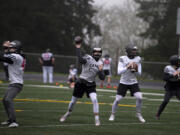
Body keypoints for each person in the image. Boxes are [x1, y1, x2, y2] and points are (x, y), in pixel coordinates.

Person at [60, 36, 105, 126]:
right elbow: (80, 59)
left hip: (91, 84)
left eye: (98, 52)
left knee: (95, 99)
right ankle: (68, 113)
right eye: (95, 52)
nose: (97, 53)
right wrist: (78, 47)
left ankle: (97, 119)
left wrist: (100, 70)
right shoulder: (88, 58)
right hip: (81, 82)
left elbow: (102, 78)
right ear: (92, 52)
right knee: (73, 101)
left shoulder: (101, 63)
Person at [109, 45, 145, 123]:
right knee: (118, 99)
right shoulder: (122, 58)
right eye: (133, 50)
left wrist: (135, 70)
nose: (135, 52)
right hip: (123, 82)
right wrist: (127, 67)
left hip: (133, 82)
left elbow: (139, 74)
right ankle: (112, 114)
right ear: (129, 51)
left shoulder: (138, 59)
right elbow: (119, 72)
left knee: (140, 97)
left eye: (135, 50)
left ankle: (138, 113)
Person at [0, 40, 24, 128]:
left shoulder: (16, 56)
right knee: (4, 100)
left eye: (12, 48)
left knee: (8, 100)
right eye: (10, 48)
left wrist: (5, 48)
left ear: (17, 49)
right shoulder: (17, 55)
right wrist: (5, 49)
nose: (10, 49)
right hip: (13, 83)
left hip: (17, 83)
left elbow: (3, 58)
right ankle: (10, 119)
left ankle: (14, 121)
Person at [156, 55, 180, 119]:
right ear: (175, 62)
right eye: (178, 61)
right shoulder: (168, 68)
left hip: (178, 88)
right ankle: (158, 114)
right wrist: (173, 75)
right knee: (165, 101)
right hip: (170, 88)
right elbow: (165, 78)